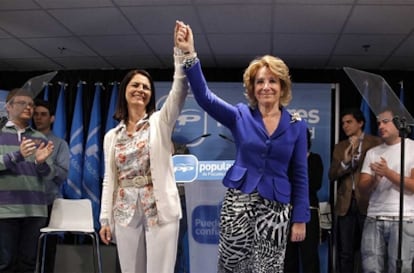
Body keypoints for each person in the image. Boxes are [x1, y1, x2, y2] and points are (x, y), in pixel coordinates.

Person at [175, 21, 310, 273]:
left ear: (282, 87)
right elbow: (204, 97)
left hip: (276, 207)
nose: (266, 86)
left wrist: (300, 218)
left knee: (267, 268)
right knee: (231, 266)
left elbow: (301, 175)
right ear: (252, 88)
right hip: (238, 201)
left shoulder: (297, 126)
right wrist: (189, 54)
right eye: (260, 82)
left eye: (272, 81)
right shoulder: (240, 115)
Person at [98, 22, 190, 273]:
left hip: (159, 209)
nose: (140, 90)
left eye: (146, 87)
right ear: (125, 91)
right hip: (124, 211)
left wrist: (181, 54)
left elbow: (180, 91)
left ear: (151, 95)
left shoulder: (159, 122)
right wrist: (104, 218)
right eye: (135, 85)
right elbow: (110, 180)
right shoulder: (112, 136)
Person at [0, 88, 55, 273]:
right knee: (5, 263)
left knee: (28, 264)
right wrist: (18, 155)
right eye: (23, 103)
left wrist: (41, 163)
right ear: (8, 107)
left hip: (35, 210)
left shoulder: (40, 138)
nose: (29, 108)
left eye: (31, 104)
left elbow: (49, 174)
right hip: (5, 211)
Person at [359, 109, 414, 273]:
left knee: (400, 268)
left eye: (385, 121)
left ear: (398, 124)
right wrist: (374, 180)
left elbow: (413, 186)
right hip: (374, 217)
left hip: (404, 218)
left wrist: (388, 173)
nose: (380, 126)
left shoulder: (412, 148)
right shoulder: (373, 152)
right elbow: (362, 187)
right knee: (370, 268)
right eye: (378, 123)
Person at [328, 108, 382, 273]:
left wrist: (357, 153)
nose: (345, 126)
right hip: (345, 205)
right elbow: (332, 175)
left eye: (349, 122)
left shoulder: (376, 143)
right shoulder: (340, 146)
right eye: (343, 123)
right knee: (346, 252)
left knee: (370, 251)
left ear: (361, 123)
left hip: (368, 202)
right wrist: (345, 163)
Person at [33, 99, 70, 273]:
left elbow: (62, 175)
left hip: (49, 202)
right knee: (26, 252)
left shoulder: (60, 144)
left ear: (52, 118)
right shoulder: (24, 140)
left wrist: (44, 163)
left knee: (48, 251)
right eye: (36, 114)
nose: (38, 118)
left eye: (43, 114)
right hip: (25, 203)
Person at [284, 128, 324, 273]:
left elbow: (315, 185)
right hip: (287, 212)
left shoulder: (315, 159)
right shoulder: (285, 161)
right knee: (288, 258)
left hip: (309, 213)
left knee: (310, 258)